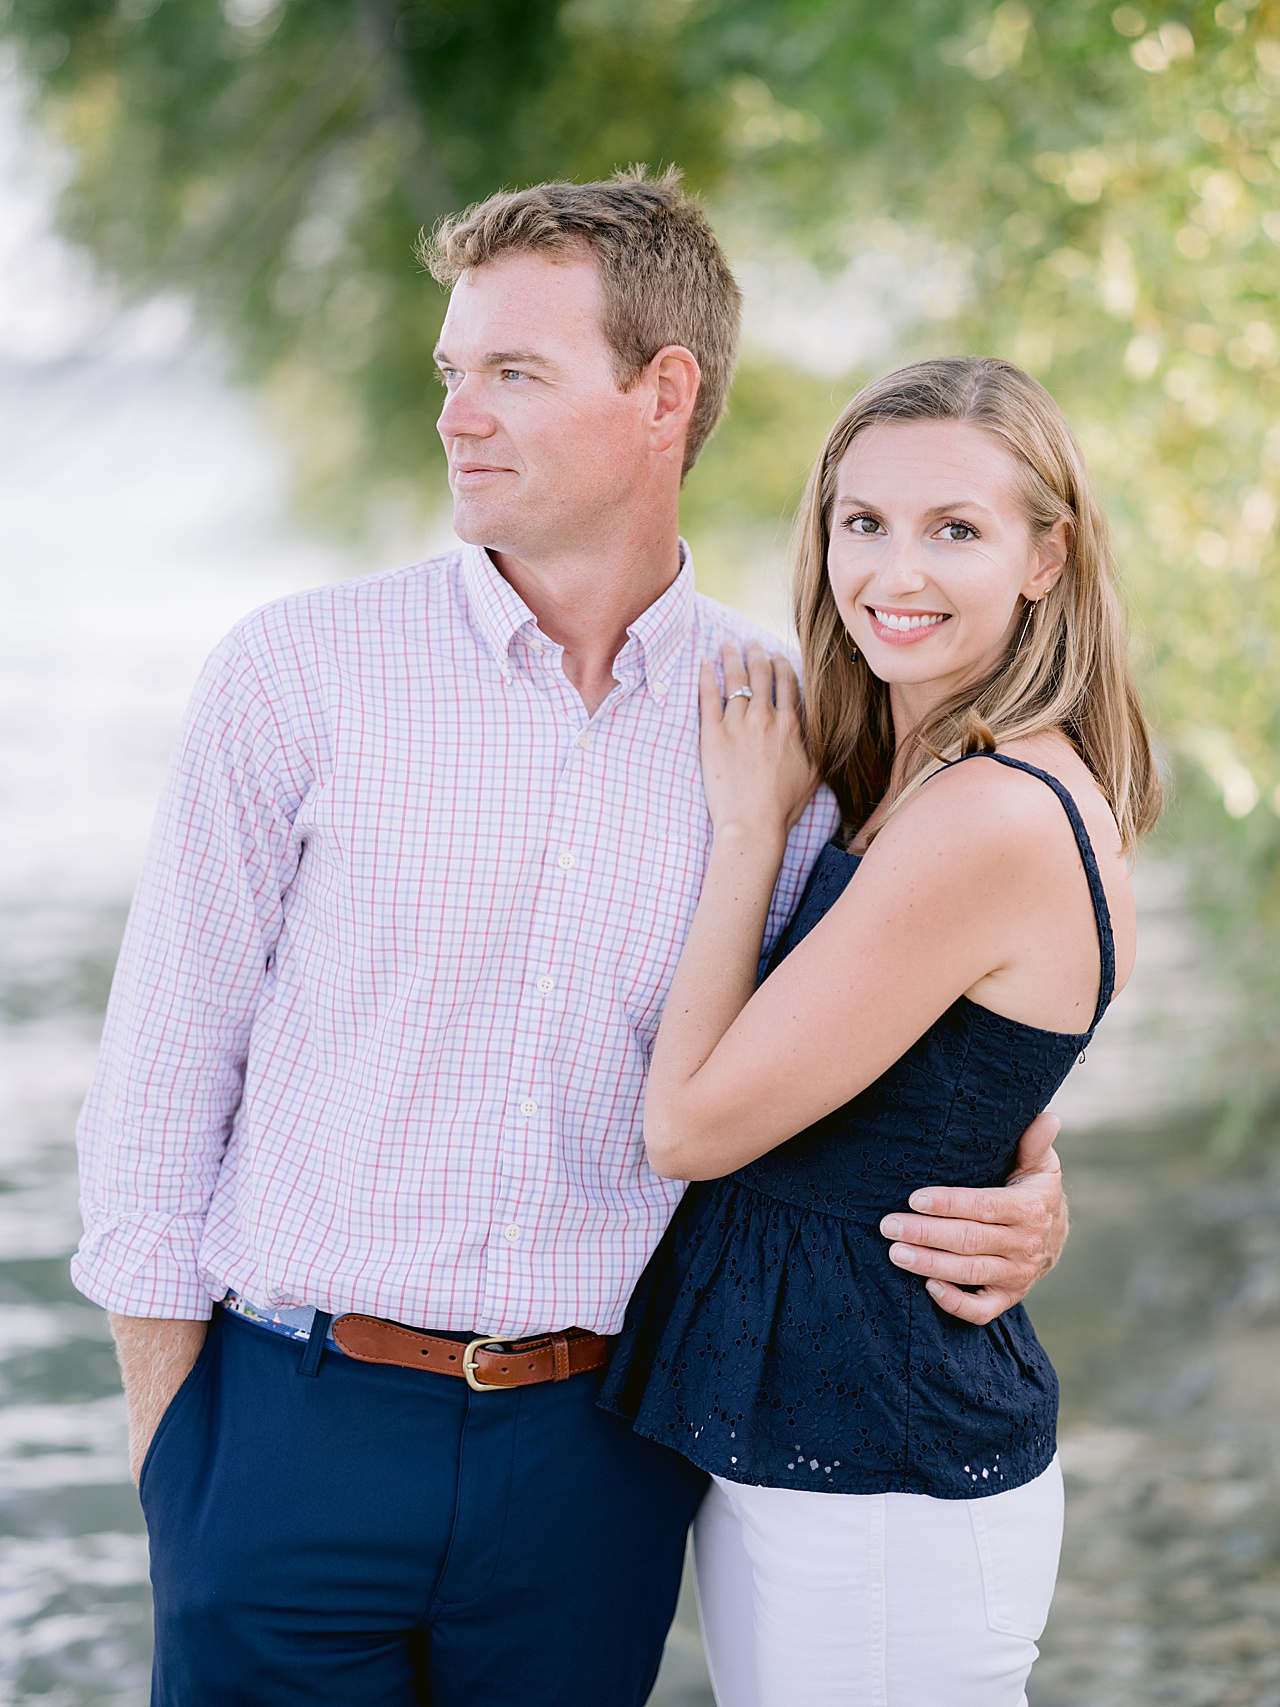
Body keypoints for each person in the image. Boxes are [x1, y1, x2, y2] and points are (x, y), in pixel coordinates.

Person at [74, 175, 1070, 1706]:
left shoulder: (790, 727)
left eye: (516, 376)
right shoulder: (298, 675)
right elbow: (158, 1080)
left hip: (600, 1451)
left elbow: (895, 1054)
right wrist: (177, 1456)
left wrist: (1027, 1182)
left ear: (662, 394)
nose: (459, 415)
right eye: (451, 374)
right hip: (289, 1422)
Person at [600, 356, 1163, 1707]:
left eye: (954, 529)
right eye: (864, 523)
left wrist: (747, 828)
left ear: (1046, 556)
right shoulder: (917, 778)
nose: (892, 572)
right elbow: (949, 1101)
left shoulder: (994, 813)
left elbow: (687, 1125)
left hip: (884, 1468)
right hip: (825, 1435)